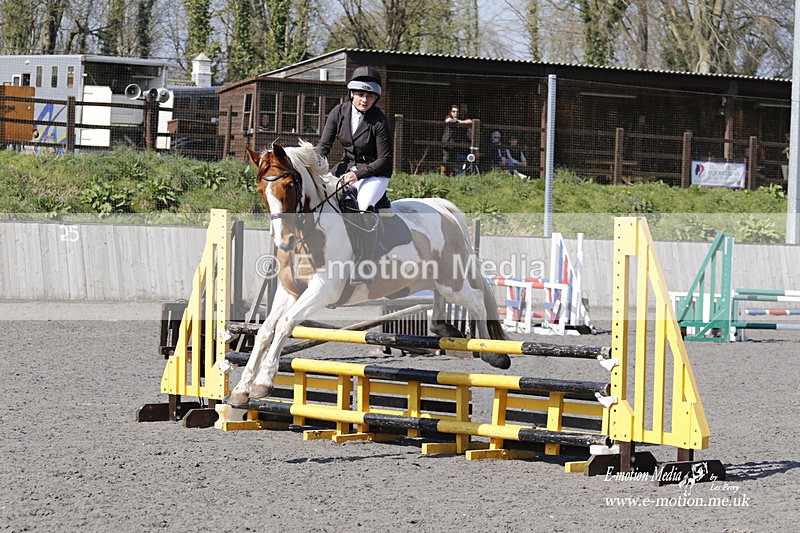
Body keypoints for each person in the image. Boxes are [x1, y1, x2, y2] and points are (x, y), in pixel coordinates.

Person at [314, 65, 392, 284]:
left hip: (375, 173)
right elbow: (324, 146)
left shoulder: (379, 120)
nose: (364, 100)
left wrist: (358, 174)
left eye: (369, 96)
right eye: (360, 95)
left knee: (364, 206)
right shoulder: (338, 112)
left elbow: (384, 159)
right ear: (351, 94)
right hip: (347, 169)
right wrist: (311, 164)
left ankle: (365, 264)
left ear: (375, 98)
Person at [441, 104, 473, 172]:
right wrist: (455, 121)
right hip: (447, 142)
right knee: (446, 159)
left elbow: (470, 121)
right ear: (451, 112)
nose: (455, 113)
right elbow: (448, 120)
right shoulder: (448, 116)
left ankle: (452, 176)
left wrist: (460, 122)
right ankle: (442, 176)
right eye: (454, 111)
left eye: (457, 112)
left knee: (454, 160)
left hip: (455, 143)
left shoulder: (460, 119)